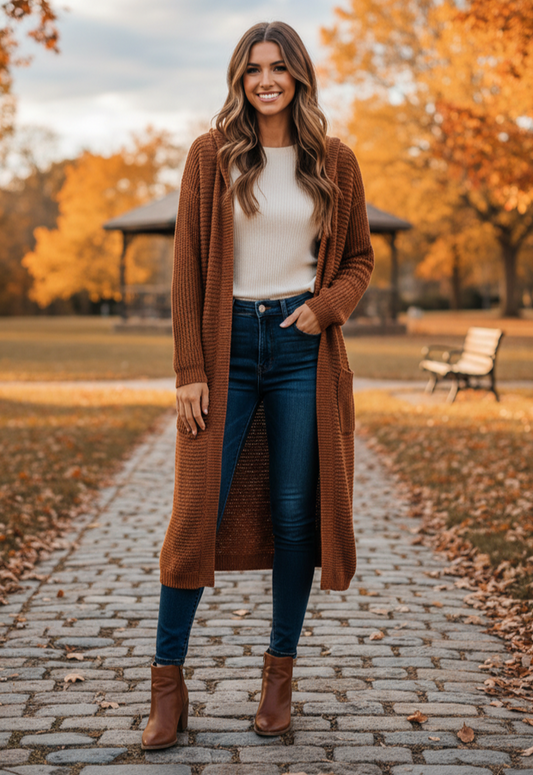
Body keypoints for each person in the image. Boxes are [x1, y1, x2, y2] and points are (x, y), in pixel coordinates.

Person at [141, 20, 374, 750]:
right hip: (227, 345)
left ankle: (279, 680)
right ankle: (166, 687)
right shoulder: (210, 156)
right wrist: (188, 370)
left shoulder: (333, 159)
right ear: (239, 79)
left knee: (295, 513)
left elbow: (359, 260)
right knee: (193, 511)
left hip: (301, 348)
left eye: (278, 67)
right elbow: (187, 272)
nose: (266, 80)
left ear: (299, 76)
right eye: (253, 69)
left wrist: (325, 307)